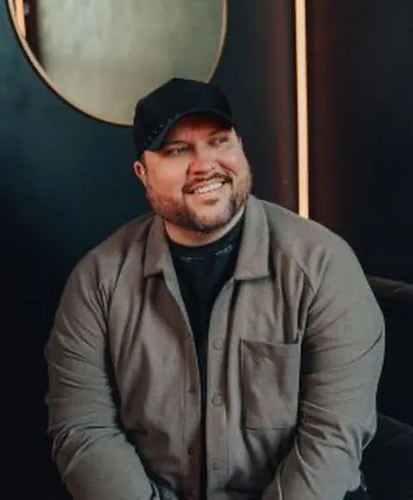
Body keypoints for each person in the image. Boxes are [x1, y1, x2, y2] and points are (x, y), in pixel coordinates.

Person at [45, 77, 385, 500]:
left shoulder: (324, 266)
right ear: (142, 174)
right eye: (177, 151)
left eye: (219, 142)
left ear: (240, 147)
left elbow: (334, 436)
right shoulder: (97, 281)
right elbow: (82, 428)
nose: (204, 165)